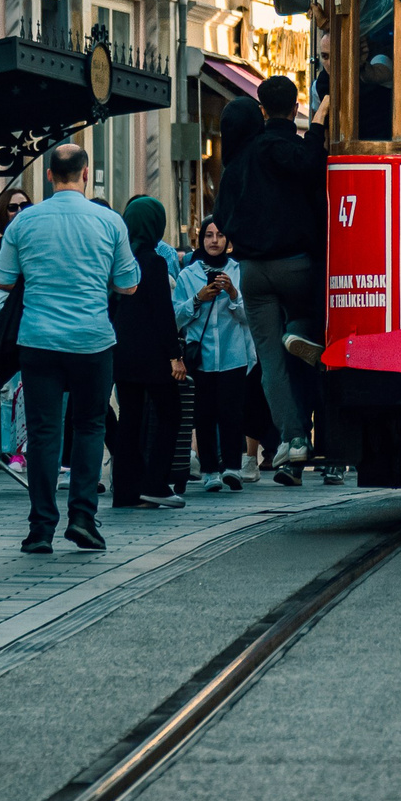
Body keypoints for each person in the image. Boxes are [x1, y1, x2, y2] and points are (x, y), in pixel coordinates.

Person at [0, 144, 140, 553]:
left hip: (38, 339)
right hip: (92, 340)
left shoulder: (25, 221)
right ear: (86, 174)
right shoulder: (110, 221)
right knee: (90, 426)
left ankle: (41, 528)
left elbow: (2, 278)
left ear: (49, 176)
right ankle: (83, 519)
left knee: (44, 433)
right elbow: (128, 283)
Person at [224, 76, 330, 477]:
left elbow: (224, 215)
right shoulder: (289, 149)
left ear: (262, 109)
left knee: (270, 362)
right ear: (295, 106)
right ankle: (299, 331)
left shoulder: (240, 159)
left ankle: (294, 438)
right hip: (296, 263)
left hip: (253, 271)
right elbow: (311, 166)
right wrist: (317, 126)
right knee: (310, 329)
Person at [110, 196, 188, 508]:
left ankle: (125, 492)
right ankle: (155, 483)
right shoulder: (154, 263)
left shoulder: (118, 262)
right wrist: (175, 355)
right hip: (152, 356)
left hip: (121, 353)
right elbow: (162, 313)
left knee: (129, 418)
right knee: (171, 414)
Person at [175, 218, 255, 491]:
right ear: (201, 240)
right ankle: (210, 471)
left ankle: (233, 467)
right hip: (202, 356)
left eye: (220, 235)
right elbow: (176, 317)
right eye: (208, 235)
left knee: (232, 412)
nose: (214, 241)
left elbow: (249, 317)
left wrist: (232, 293)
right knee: (205, 414)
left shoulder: (239, 271)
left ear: (227, 240)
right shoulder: (188, 275)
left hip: (234, 353)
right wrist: (198, 298)